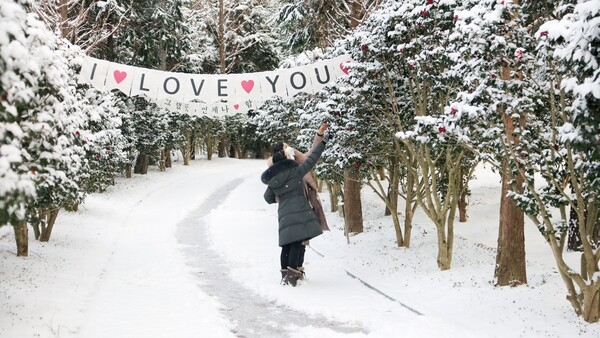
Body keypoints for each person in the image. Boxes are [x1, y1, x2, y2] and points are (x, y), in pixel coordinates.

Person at [261, 124, 330, 287]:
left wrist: (281, 197)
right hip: (300, 211)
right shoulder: (296, 171)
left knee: (287, 244)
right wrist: (324, 142)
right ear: (285, 155)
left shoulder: (274, 178)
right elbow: (312, 158)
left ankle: (286, 275)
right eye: (286, 148)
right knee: (298, 243)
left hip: (285, 214)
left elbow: (267, 198)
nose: (289, 148)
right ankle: (293, 278)